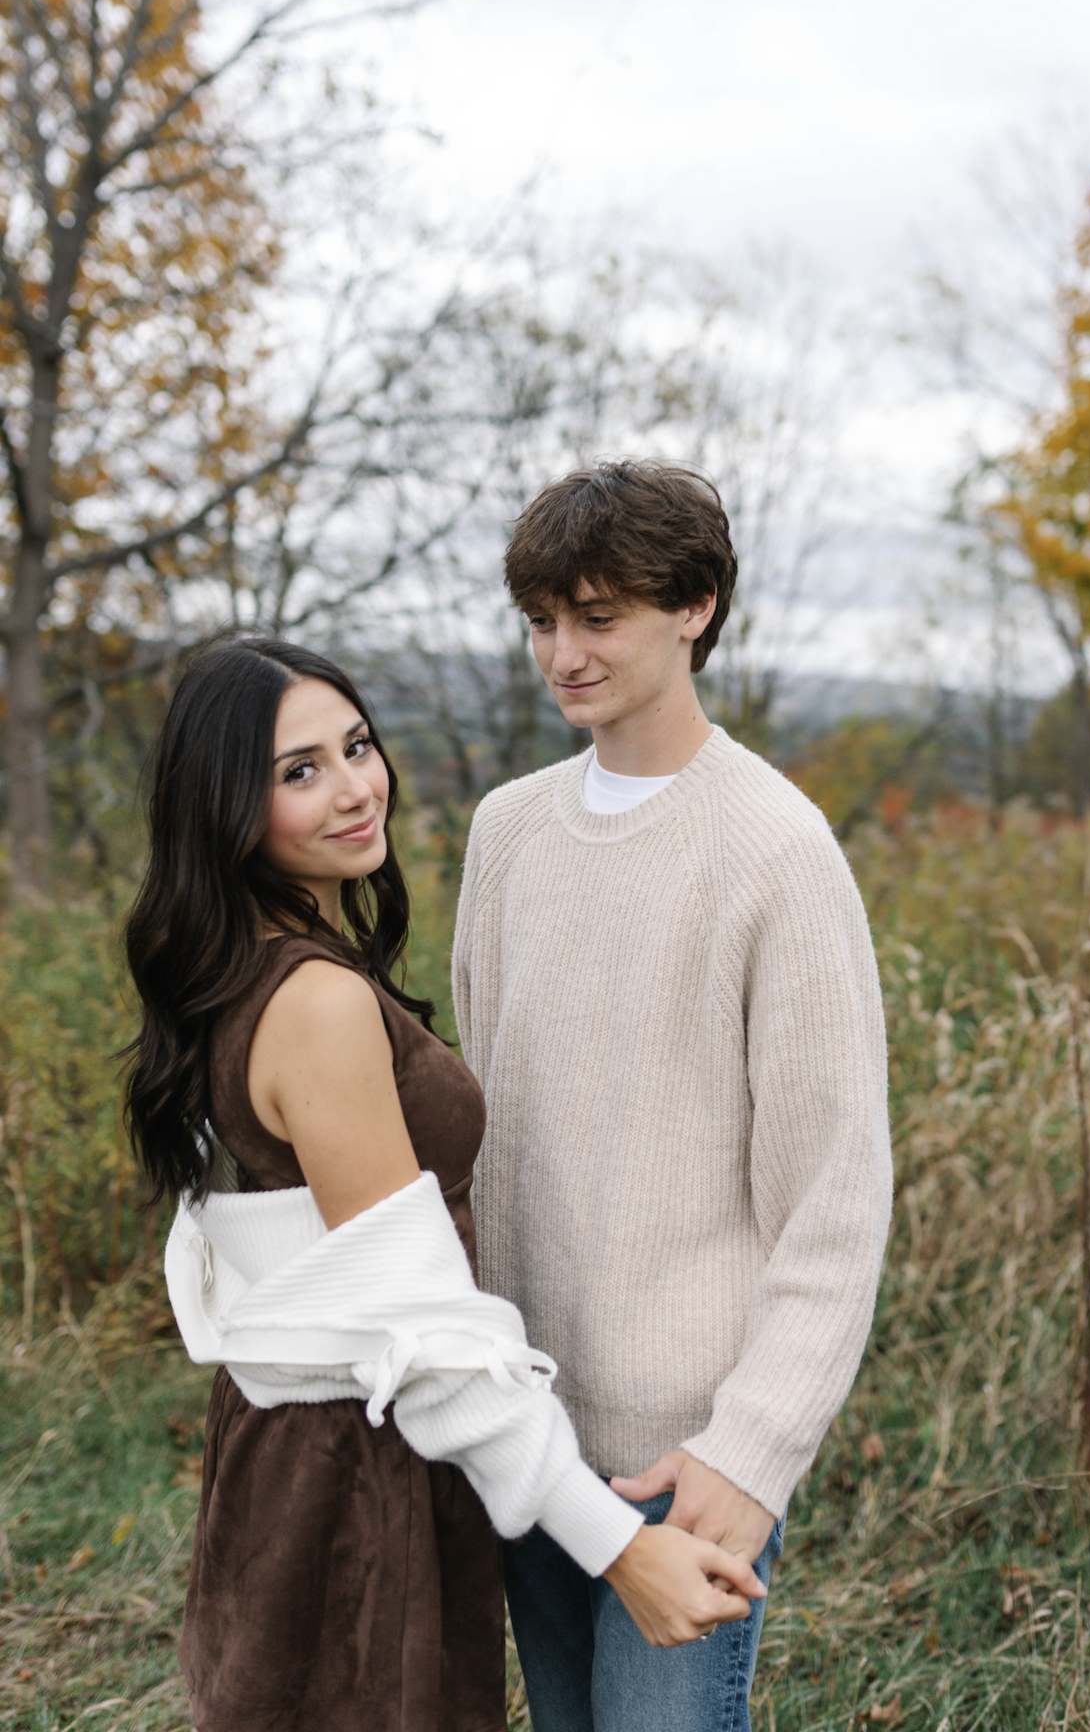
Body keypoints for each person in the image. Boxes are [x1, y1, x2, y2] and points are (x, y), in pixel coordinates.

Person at [122, 637, 766, 1732]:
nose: (354, 788)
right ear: (222, 806)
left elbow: (250, 1248)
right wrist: (620, 1551)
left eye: (357, 746)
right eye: (298, 771)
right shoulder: (313, 1003)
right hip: (349, 1470)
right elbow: (422, 1333)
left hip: (292, 1445)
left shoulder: (242, 969)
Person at [452, 462, 894, 1732]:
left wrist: (752, 1451)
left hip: (682, 1457)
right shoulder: (508, 830)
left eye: (598, 617)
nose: (562, 653)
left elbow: (834, 1199)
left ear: (693, 606)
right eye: (541, 619)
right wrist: (492, 1401)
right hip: (523, 1431)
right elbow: (494, 1124)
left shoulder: (776, 848)